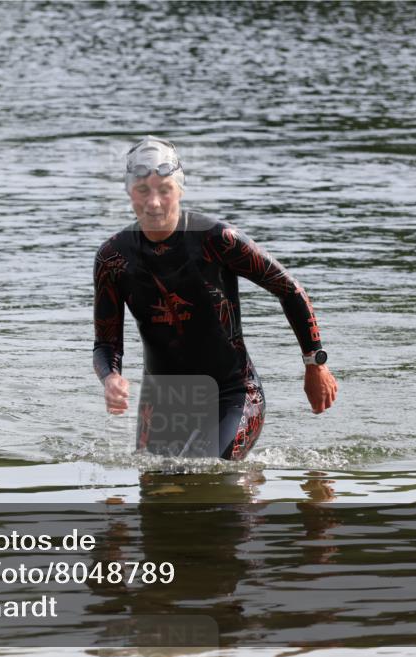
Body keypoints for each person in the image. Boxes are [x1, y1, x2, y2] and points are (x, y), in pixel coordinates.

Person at [93, 136, 337, 460]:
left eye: (164, 190)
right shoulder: (114, 258)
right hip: (164, 400)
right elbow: (106, 344)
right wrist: (110, 379)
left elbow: (289, 289)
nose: (154, 203)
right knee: (158, 495)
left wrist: (314, 364)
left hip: (233, 393)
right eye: (143, 191)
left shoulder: (217, 240)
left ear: (179, 189)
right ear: (128, 192)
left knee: (210, 472)